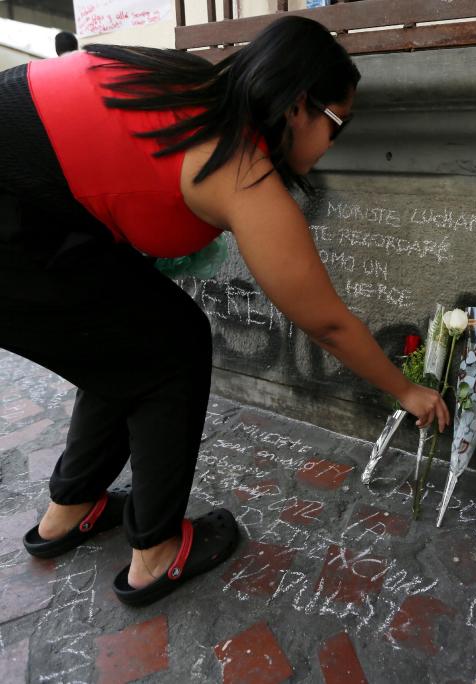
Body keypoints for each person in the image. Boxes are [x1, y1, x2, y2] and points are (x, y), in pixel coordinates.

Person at [0, 16, 449, 606]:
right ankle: (155, 554)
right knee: (171, 349)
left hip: (35, 208)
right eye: (339, 123)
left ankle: (71, 509)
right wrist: (407, 391)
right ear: (296, 107)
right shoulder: (239, 169)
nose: (337, 143)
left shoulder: (188, 87)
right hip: (17, 226)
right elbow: (327, 323)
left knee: (125, 335)